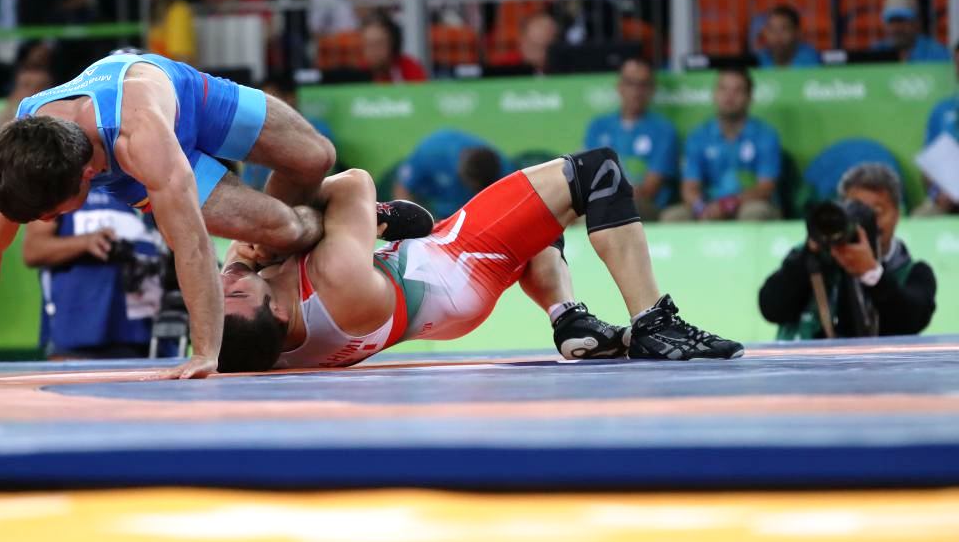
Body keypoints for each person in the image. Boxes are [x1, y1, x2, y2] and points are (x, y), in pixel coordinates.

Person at [0, 51, 347, 382]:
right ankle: (313, 235)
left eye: (50, 213)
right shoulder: (16, 162)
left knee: (318, 156)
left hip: (183, 98)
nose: (45, 222)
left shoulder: (136, 136)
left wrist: (204, 353)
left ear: (87, 177)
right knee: (284, 229)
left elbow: (191, 244)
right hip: (139, 171)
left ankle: (296, 242)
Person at [217, 156, 744, 372]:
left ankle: (568, 317)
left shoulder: (252, 342)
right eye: (236, 291)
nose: (228, 281)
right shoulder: (337, 280)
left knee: (536, 221)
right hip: (452, 264)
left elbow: (226, 311)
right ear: (278, 312)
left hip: (430, 298)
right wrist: (284, 230)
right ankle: (653, 321)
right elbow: (353, 180)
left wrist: (252, 257)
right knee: (594, 174)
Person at [759, 163, 936, 338]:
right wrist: (810, 255)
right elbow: (771, 309)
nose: (867, 222)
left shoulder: (915, 272)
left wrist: (872, 273)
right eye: (857, 210)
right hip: (805, 357)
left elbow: (911, 322)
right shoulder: (811, 256)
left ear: (896, 214)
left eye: (877, 212)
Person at [23, 182, 168, 359]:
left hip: (145, 333)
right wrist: (86, 242)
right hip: (77, 334)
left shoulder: (145, 185)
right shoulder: (63, 182)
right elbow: (33, 249)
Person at [663, 67, 782, 222]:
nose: (729, 96)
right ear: (714, 95)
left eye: (738, 90)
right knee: (674, 216)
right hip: (709, 205)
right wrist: (701, 208)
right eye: (723, 89)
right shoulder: (698, 136)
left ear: (750, 97)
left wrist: (728, 205)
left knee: (753, 212)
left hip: (750, 203)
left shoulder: (766, 135)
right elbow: (689, 187)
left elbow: (765, 188)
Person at [583, 58, 678, 219]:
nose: (636, 91)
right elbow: (589, 177)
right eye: (630, 83)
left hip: (643, 204)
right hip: (602, 203)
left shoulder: (664, 130)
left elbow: (649, 189)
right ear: (619, 87)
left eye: (643, 85)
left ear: (652, 90)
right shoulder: (598, 126)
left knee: (621, 209)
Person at [394, 129, 512, 219]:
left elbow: (509, 205)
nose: (475, 191)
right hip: (439, 218)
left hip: (478, 219)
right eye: (473, 188)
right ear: (462, 173)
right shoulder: (432, 153)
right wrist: (420, 223)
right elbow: (403, 190)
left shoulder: (504, 168)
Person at [915, 51, 959, 216]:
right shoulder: (942, 110)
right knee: (920, 218)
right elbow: (928, 167)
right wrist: (936, 195)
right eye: (958, 64)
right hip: (947, 200)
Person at [0, 62, 53, 145]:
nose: (32, 92)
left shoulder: (56, 122)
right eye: (26, 86)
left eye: (40, 87)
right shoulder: (1, 121)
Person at [875, 0, 949, 63]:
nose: (896, 28)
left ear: (916, 23)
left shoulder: (938, 54)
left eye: (901, 21)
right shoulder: (876, 51)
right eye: (891, 21)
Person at [361, 14, 429, 83]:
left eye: (379, 43)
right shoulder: (358, 71)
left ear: (392, 43)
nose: (374, 50)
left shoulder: (409, 67)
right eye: (369, 45)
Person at [756, 5, 822, 68]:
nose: (777, 36)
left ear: (797, 33)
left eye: (784, 29)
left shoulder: (810, 60)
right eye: (771, 29)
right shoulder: (758, 61)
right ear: (765, 33)